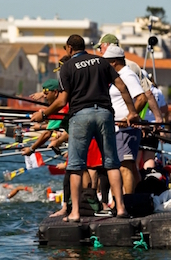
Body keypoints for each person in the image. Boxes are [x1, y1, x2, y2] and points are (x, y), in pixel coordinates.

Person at [31, 35, 139, 222]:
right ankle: (121, 208)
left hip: (80, 116)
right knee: (112, 163)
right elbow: (121, 86)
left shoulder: (67, 67)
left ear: (70, 49)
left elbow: (63, 100)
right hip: (105, 114)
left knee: (75, 166)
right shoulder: (101, 61)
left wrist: (44, 114)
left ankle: (74, 213)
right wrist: (132, 112)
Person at [103, 45, 147, 194]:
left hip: (126, 129)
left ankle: (128, 202)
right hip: (118, 129)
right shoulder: (118, 76)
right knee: (130, 167)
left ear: (114, 62)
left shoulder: (127, 75)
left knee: (125, 166)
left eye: (107, 62)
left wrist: (129, 116)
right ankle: (137, 198)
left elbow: (142, 98)